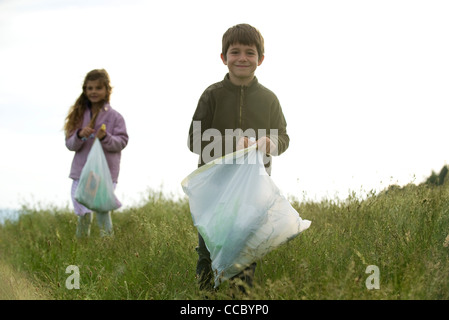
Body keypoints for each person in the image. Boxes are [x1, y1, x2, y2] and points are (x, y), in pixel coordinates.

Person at [187, 24, 290, 292]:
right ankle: (205, 298)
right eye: (235, 52)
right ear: (223, 57)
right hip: (215, 188)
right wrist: (232, 143)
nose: (242, 58)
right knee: (208, 250)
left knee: (245, 254)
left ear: (261, 59)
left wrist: (271, 143)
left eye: (250, 52)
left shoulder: (269, 99)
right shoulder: (212, 95)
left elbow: (284, 138)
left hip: (252, 189)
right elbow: (194, 140)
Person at [64, 69, 128, 238]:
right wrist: (79, 135)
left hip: (104, 173)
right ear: (85, 90)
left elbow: (121, 142)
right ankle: (82, 245)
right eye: (90, 88)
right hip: (81, 172)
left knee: (101, 210)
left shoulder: (115, 117)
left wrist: (105, 137)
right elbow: (70, 144)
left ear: (107, 90)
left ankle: (108, 246)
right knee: (82, 212)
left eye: (98, 88)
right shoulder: (78, 115)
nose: (93, 92)